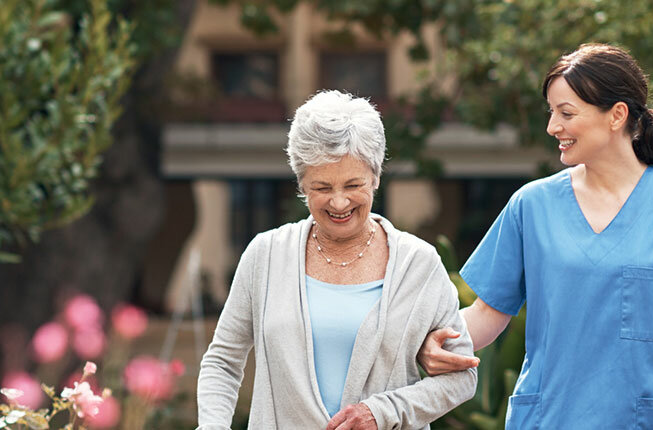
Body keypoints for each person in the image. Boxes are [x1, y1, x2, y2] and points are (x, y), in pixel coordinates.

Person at [416, 43, 653, 429]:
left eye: (566, 113)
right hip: (551, 418)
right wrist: (430, 343)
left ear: (617, 116)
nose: (552, 127)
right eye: (552, 112)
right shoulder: (532, 206)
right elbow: (486, 315)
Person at [197, 90, 477, 430]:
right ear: (302, 185)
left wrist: (382, 413)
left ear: (375, 177)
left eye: (353, 184)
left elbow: (462, 378)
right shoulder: (266, 255)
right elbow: (223, 361)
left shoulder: (419, 265)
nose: (339, 202)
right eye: (322, 188)